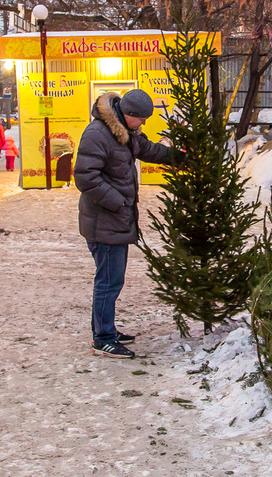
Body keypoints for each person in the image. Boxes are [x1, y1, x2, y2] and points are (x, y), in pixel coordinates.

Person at [74, 89, 184, 359]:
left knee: (112, 279)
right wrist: (119, 202)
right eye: (142, 119)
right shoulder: (98, 134)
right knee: (108, 281)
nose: (143, 124)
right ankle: (103, 338)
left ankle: (105, 329)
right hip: (105, 222)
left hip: (114, 220)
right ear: (128, 114)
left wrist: (179, 158)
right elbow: (85, 177)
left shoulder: (124, 133)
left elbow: (148, 150)